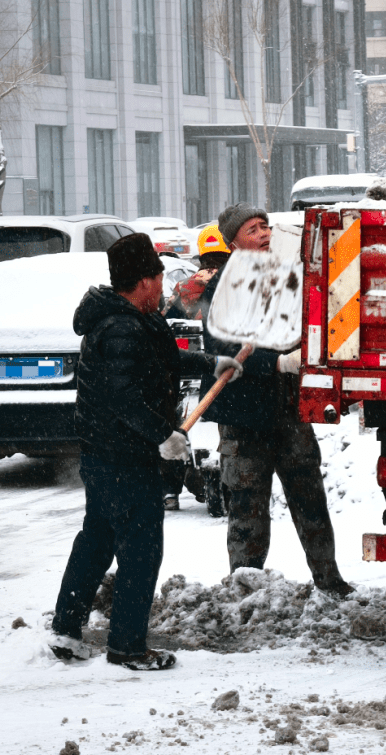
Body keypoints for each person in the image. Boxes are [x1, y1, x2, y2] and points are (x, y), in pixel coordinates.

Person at [49, 234, 243, 671]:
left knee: (97, 541)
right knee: (140, 548)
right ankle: (127, 646)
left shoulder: (136, 318)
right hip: (120, 456)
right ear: (141, 282)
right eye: (157, 277)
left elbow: (163, 361)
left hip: (107, 455)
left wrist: (210, 364)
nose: (163, 285)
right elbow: (122, 396)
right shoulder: (119, 327)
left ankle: (66, 629)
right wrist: (162, 435)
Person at [198, 203, 353, 597]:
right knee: (247, 508)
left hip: (288, 411)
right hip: (244, 416)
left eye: (265, 226)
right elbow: (224, 347)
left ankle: (329, 580)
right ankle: (245, 588)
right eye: (252, 230)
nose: (264, 234)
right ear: (234, 243)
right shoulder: (222, 290)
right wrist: (277, 361)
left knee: (309, 497)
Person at [159, 224, 232, 512]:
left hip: (189, 369)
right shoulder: (233, 281)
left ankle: (170, 491)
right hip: (223, 365)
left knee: (176, 426)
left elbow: (168, 322)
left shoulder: (187, 286)